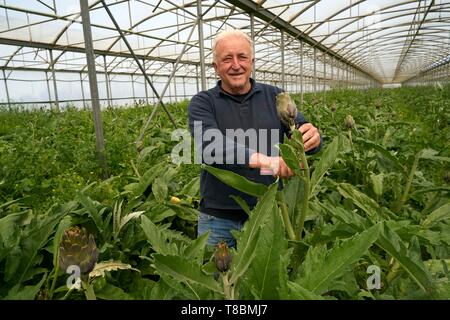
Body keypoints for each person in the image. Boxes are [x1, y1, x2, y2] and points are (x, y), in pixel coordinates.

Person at [188, 29, 322, 248]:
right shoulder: (203, 102)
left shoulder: (276, 96)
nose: (236, 65)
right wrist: (268, 161)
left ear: (252, 62)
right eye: (227, 59)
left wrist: (313, 138)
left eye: (242, 57)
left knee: (267, 278)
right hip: (219, 217)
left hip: (270, 212)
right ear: (215, 67)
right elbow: (211, 145)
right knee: (214, 279)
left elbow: (302, 132)